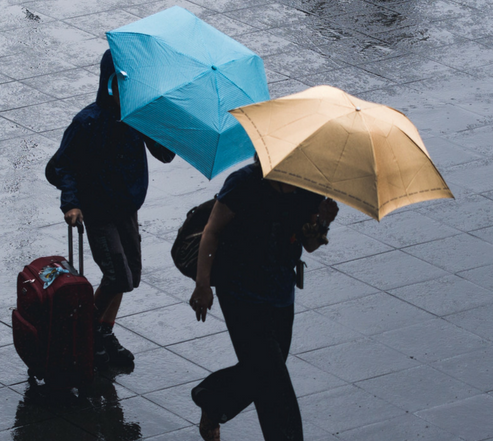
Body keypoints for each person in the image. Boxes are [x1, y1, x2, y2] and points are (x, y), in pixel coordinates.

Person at [187, 159, 338, 441]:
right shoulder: (243, 183)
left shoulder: (307, 187)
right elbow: (212, 231)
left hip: (280, 295)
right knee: (275, 385)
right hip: (240, 295)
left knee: (264, 371)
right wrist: (202, 285)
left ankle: (213, 398)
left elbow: (310, 244)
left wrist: (324, 221)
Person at [48, 50, 175, 365]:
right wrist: (72, 203)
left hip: (126, 210)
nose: (127, 93)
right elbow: (61, 166)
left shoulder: (137, 118)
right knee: (117, 275)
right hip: (99, 212)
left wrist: (165, 122)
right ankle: (85, 331)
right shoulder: (88, 122)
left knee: (130, 275)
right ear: (108, 84)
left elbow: (165, 153)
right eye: (121, 85)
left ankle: (102, 330)